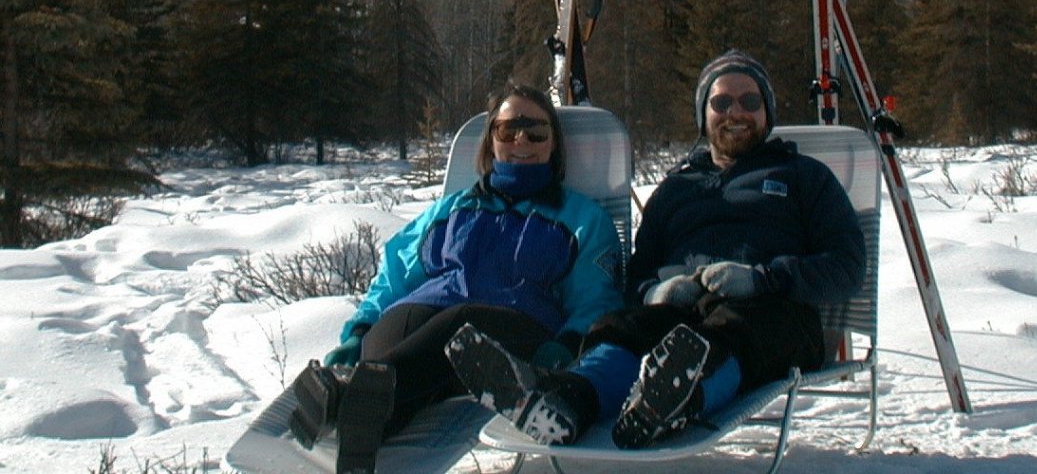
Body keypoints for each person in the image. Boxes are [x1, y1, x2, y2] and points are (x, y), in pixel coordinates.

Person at [447, 50, 866, 450]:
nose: (734, 111)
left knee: (738, 326)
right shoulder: (676, 189)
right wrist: (655, 293)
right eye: (720, 102)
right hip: (681, 315)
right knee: (624, 326)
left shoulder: (805, 177)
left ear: (766, 112)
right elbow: (640, 273)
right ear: (703, 116)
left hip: (775, 312)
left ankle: (680, 397)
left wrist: (764, 278)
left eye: (749, 100)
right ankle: (569, 401)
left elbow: (847, 267)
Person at [288, 83, 624, 473]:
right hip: (428, 318)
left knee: (459, 325)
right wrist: (360, 331)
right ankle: (360, 420)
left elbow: (596, 298)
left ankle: (343, 402)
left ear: (554, 145)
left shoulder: (582, 218)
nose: (522, 139)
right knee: (399, 327)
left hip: (516, 332)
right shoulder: (451, 209)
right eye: (508, 129)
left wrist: (566, 345)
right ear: (490, 140)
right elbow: (396, 274)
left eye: (536, 131)